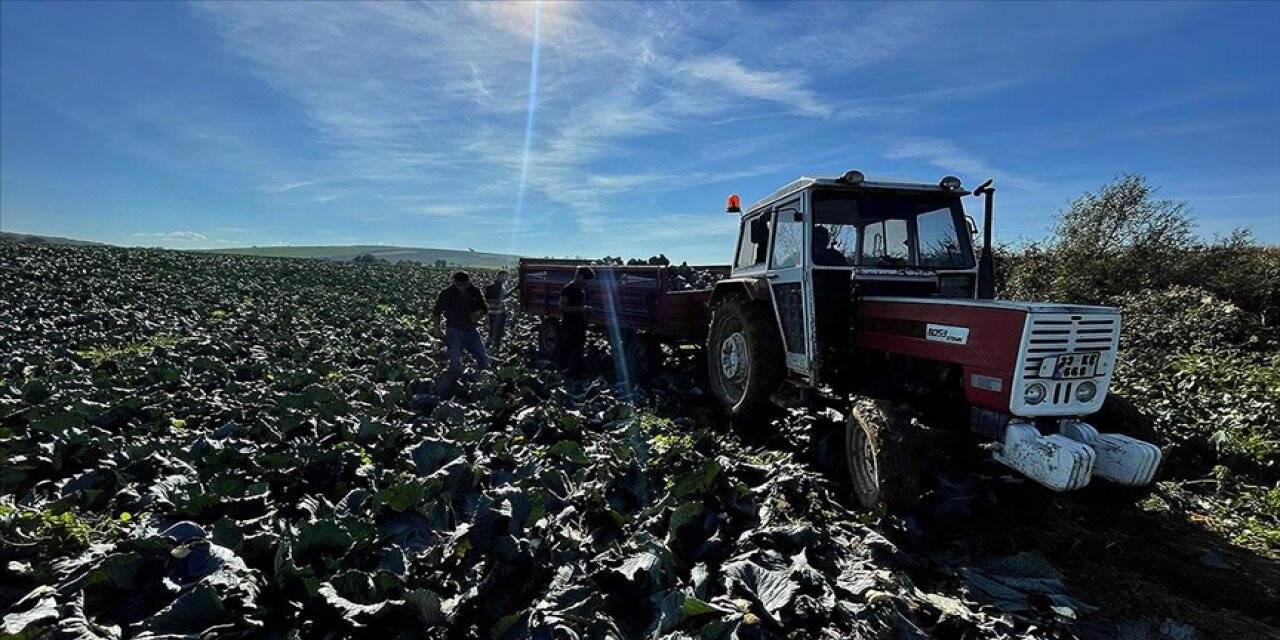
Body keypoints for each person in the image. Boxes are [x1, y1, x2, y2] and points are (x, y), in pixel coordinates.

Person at [432, 271, 490, 387]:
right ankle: (453, 385)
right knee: (454, 359)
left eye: (465, 285)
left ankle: (483, 382)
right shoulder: (446, 293)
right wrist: (437, 328)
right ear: (454, 283)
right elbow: (437, 312)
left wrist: (479, 312)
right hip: (454, 328)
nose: (462, 287)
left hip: (471, 328)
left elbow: (484, 307)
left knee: (482, 357)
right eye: (459, 285)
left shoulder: (475, 291)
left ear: (468, 283)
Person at [557, 266, 595, 377]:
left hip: (579, 323)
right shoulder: (568, 288)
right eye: (586, 280)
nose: (587, 283)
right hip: (569, 324)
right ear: (580, 277)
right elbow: (562, 306)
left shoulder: (580, 289)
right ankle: (565, 372)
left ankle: (575, 372)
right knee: (569, 348)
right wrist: (581, 309)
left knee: (578, 348)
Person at [483, 270, 517, 350]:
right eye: (502, 276)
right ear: (497, 276)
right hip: (494, 313)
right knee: (494, 330)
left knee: (499, 330)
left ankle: (494, 347)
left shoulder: (502, 287)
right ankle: (490, 347)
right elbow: (491, 299)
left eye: (505, 277)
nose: (504, 278)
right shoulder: (490, 287)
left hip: (500, 312)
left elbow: (504, 297)